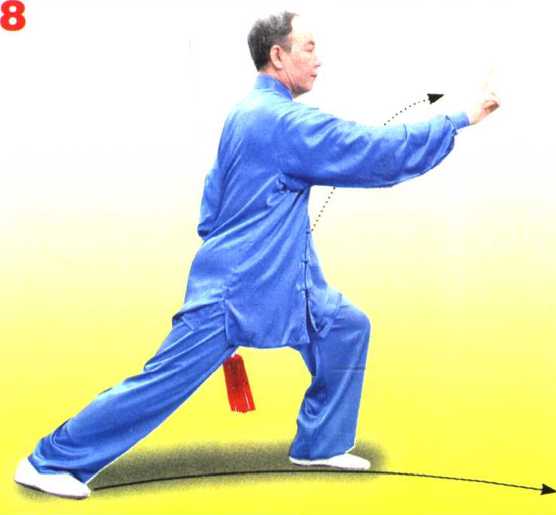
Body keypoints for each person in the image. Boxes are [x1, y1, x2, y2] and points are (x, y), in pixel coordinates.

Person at [14, 11, 500, 500]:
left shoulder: (246, 112)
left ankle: (320, 444)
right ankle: (49, 461)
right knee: (162, 382)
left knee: (344, 327)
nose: (319, 59)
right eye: (309, 47)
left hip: (280, 278)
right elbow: (372, 151)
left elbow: (213, 199)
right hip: (238, 286)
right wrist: (459, 118)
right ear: (278, 55)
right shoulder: (281, 121)